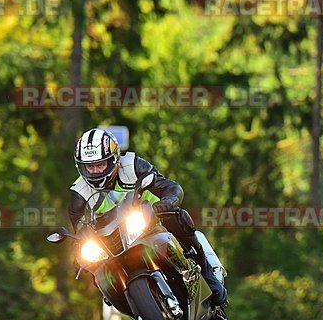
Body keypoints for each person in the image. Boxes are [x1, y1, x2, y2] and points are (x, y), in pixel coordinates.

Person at [68, 128, 227, 306]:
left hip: (151, 219)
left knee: (177, 217)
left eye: (100, 165)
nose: (95, 171)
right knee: (89, 265)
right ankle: (133, 306)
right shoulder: (78, 194)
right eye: (90, 166)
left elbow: (170, 187)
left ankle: (207, 271)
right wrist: (79, 248)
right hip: (113, 241)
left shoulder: (132, 166)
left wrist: (168, 200)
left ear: (113, 159)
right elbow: (81, 231)